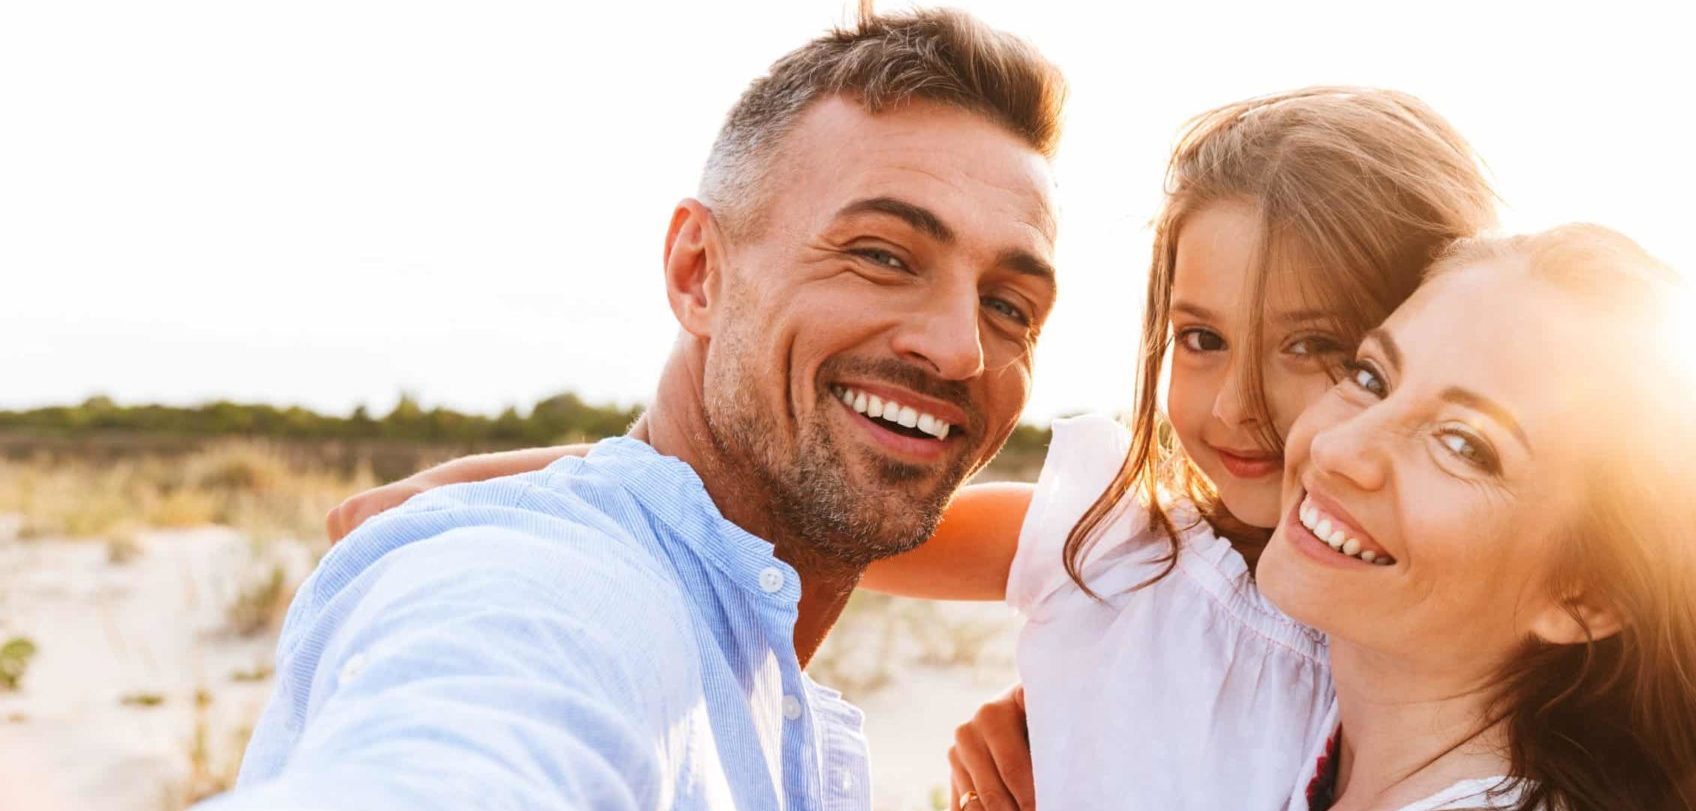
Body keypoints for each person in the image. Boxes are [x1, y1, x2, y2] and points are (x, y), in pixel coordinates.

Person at [331, 87, 1501, 810]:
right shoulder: (1122, 544)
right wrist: (484, 489)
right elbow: (779, 510)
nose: (1240, 408)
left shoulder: (1481, 641)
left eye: (1317, 347)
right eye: (1198, 337)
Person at [201, 7, 1066, 810]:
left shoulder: (747, 648)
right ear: (699, 273)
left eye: (1010, 307)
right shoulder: (554, 595)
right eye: (881, 254)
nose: (962, 347)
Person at [1256, 225, 1696, 809]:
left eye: (1464, 445)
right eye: (1372, 377)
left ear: (1587, 595)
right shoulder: (1301, 738)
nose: (1338, 449)